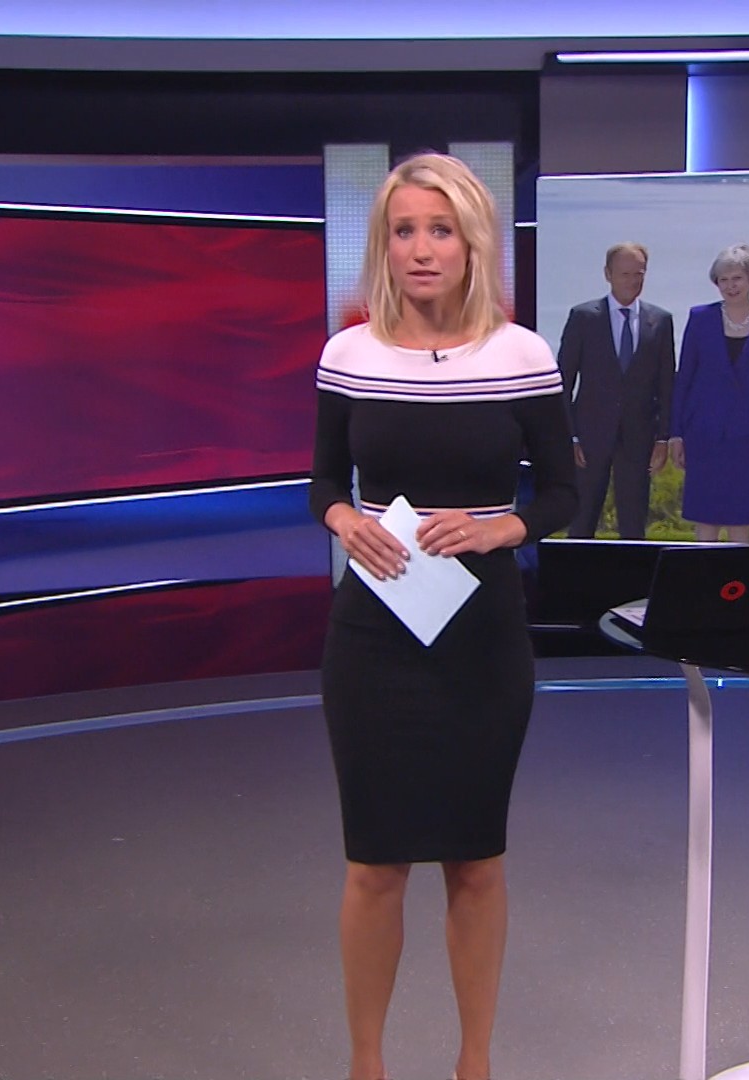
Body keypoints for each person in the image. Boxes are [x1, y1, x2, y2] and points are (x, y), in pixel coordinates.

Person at [308, 153, 577, 1080]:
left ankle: (474, 1063)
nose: (422, 249)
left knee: (475, 858)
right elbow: (322, 481)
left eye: (441, 230)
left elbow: (563, 493)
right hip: (374, 632)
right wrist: (343, 519)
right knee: (374, 863)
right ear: (385, 245)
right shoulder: (349, 355)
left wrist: (503, 526)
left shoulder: (521, 355)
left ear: (473, 244)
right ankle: (367, 1065)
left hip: (481, 635)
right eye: (405, 230)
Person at [667, 244, 749, 543]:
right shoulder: (700, 318)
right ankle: (702, 572)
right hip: (703, 433)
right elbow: (684, 378)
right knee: (705, 518)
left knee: (740, 519)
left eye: (737, 278)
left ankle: (739, 574)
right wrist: (676, 434)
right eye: (723, 280)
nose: (730, 286)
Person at [556, 242, 676, 538]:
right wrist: (569, 437)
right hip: (588, 438)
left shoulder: (660, 321)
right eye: (625, 274)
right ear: (608, 274)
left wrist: (663, 438)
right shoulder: (584, 317)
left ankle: (632, 570)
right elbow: (563, 382)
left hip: (638, 438)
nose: (632, 281)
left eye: (639, 274)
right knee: (582, 522)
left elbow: (666, 385)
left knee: (633, 526)